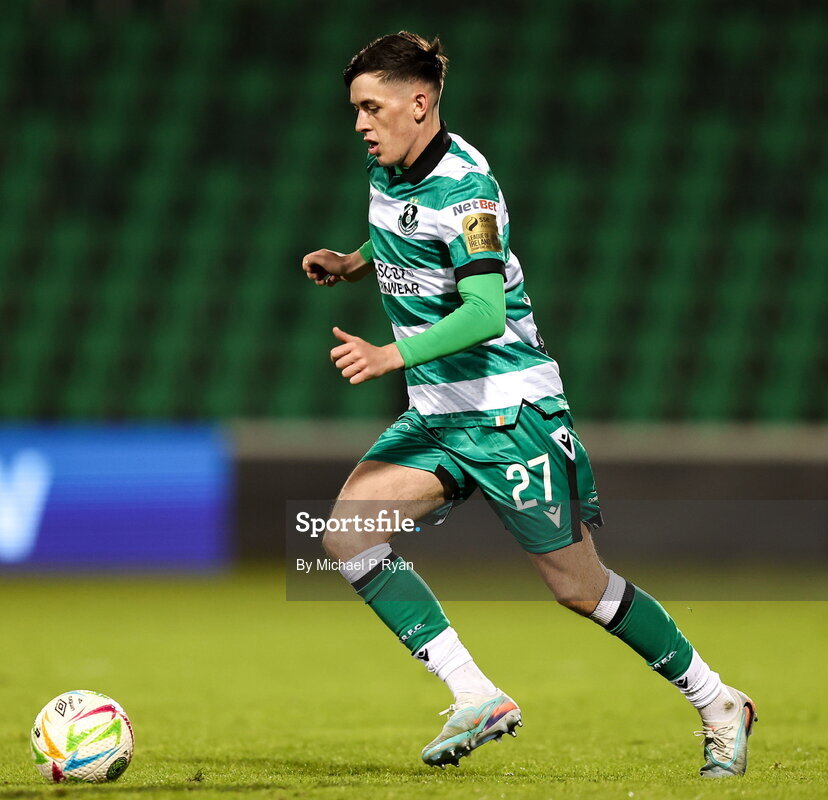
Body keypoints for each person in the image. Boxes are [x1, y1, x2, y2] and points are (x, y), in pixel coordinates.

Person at [300, 31, 756, 777]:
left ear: (420, 103)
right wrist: (353, 263)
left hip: (509, 413)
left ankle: (718, 701)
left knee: (578, 587)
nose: (359, 123)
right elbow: (407, 237)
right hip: (439, 414)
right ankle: (474, 693)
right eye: (355, 109)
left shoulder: (468, 191)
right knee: (348, 535)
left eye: (371, 108)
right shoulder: (388, 171)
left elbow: (484, 312)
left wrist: (388, 355)